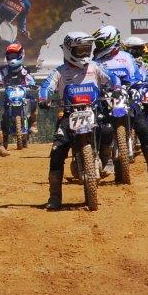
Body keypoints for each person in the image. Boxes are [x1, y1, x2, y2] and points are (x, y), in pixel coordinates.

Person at [37, 32, 111, 210]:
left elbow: (111, 78)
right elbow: (45, 86)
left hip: (92, 110)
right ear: (70, 50)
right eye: (80, 49)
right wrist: (43, 98)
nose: (84, 53)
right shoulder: (60, 71)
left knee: (107, 129)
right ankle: (54, 195)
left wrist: (115, 87)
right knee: (57, 151)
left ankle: (106, 160)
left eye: (87, 49)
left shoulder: (95, 67)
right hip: (69, 115)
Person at [93, 26, 148, 180]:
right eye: (97, 43)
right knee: (103, 129)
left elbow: (136, 76)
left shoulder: (126, 57)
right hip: (105, 99)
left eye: (100, 42)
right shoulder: (96, 61)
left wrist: (137, 85)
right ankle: (104, 159)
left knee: (143, 128)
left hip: (126, 96)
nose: (98, 46)